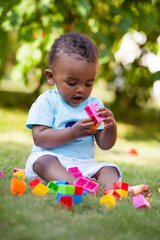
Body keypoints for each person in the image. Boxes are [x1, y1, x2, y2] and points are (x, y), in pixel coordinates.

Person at [25, 32, 150, 197]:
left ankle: (117, 190)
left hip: (85, 166)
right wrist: (73, 133)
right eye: (72, 82)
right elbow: (40, 138)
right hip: (52, 159)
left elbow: (104, 144)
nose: (81, 89)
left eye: (89, 83)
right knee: (43, 162)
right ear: (51, 77)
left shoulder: (94, 105)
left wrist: (111, 128)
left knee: (108, 169)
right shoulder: (48, 101)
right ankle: (79, 187)